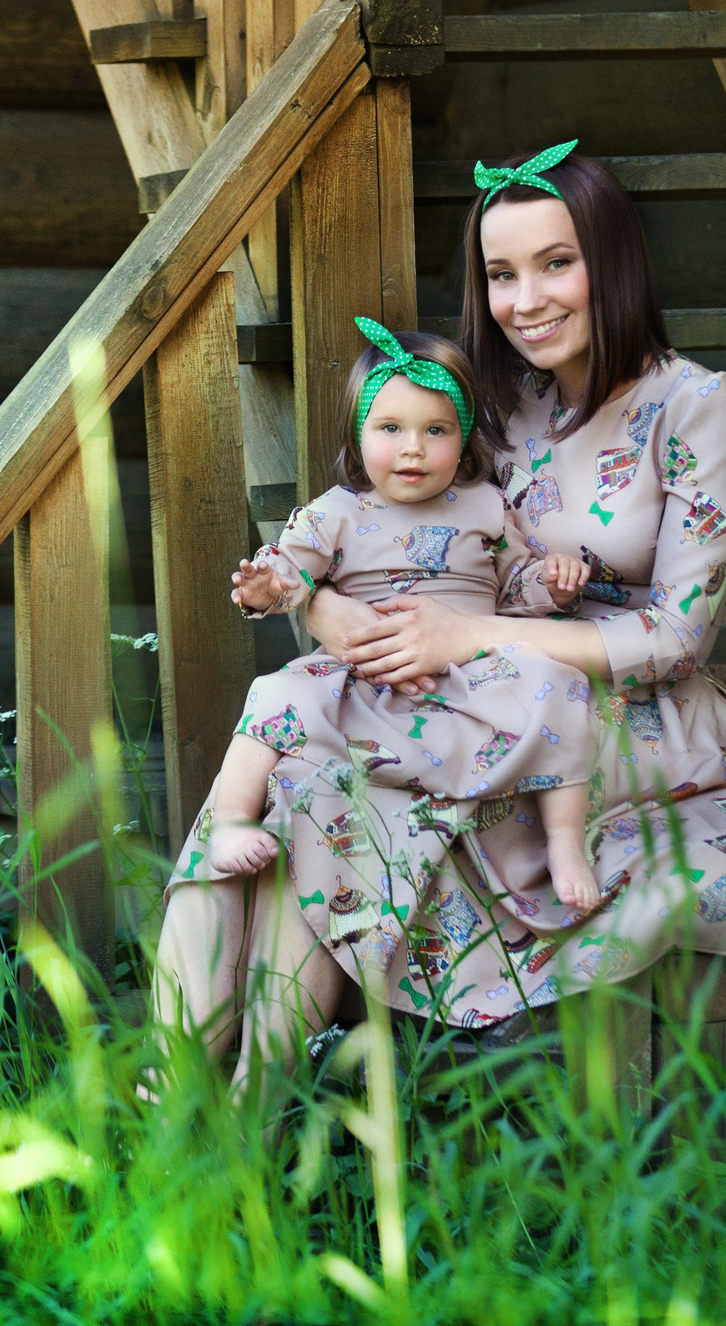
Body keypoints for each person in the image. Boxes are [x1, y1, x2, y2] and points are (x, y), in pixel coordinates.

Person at [153, 141, 726, 1077]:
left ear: (613, 262)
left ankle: (243, 1117)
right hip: (463, 692)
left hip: (624, 709)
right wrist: (317, 609)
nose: (527, 301)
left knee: (324, 782)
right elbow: (381, 534)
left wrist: (471, 632)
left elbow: (676, 637)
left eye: (557, 263)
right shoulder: (489, 404)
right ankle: (177, 1088)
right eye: (501, 274)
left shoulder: (703, 406)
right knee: (294, 772)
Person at [177, 319, 610, 944]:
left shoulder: (487, 505)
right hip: (366, 677)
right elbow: (292, 570)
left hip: (470, 674)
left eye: (435, 430)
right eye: (391, 429)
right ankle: (232, 821)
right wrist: (265, 588)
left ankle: (566, 843)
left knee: (562, 684)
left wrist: (554, 583)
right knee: (273, 694)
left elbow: (515, 589)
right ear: (359, 435)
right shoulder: (337, 511)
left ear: (463, 442)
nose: (413, 448)